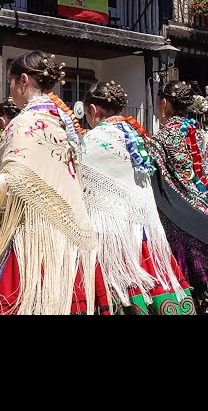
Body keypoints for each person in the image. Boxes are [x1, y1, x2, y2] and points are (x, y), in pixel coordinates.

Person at [0, 51, 98, 314]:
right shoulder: (63, 123)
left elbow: (14, 183)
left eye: (10, 82)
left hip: (31, 237)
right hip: (68, 233)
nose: (10, 90)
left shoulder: (24, 123)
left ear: (23, 80)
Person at [81, 81, 192, 315]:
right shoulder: (139, 138)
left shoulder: (90, 141)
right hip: (145, 232)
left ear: (92, 110)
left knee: (122, 294)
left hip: (111, 236)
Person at [146, 80, 208, 315]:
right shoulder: (203, 136)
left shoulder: (160, 140)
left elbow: (150, 181)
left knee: (191, 296)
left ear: (164, 104)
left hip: (183, 227)